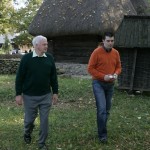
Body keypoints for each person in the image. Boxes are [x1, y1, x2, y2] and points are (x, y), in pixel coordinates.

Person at [15, 35, 58, 150]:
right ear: (36, 45)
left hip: (45, 95)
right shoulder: (26, 59)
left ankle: (41, 143)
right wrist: (18, 94)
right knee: (29, 120)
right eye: (44, 44)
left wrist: (55, 92)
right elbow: (19, 77)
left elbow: (53, 77)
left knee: (44, 121)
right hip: (29, 96)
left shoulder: (49, 58)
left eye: (46, 44)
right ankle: (27, 133)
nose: (46, 46)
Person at [87, 31, 121, 143]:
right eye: (108, 41)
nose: (110, 43)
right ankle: (102, 135)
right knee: (101, 109)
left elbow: (118, 67)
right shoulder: (96, 52)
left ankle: (101, 128)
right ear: (103, 41)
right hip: (98, 84)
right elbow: (90, 69)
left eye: (112, 41)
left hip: (110, 85)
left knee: (106, 110)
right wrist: (103, 76)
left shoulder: (116, 53)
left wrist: (116, 73)